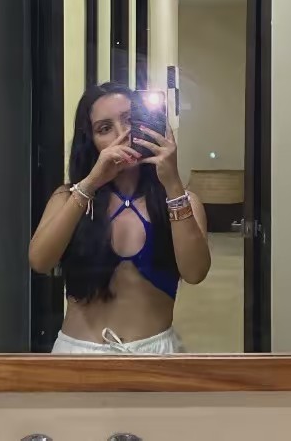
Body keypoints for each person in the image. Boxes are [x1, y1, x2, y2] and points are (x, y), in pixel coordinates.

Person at [29, 82, 210, 354]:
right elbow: (40, 261)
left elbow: (195, 273)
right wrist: (89, 184)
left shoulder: (181, 200)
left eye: (129, 120)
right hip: (77, 355)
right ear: (91, 142)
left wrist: (172, 184)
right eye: (104, 128)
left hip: (155, 353)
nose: (122, 134)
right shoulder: (69, 197)